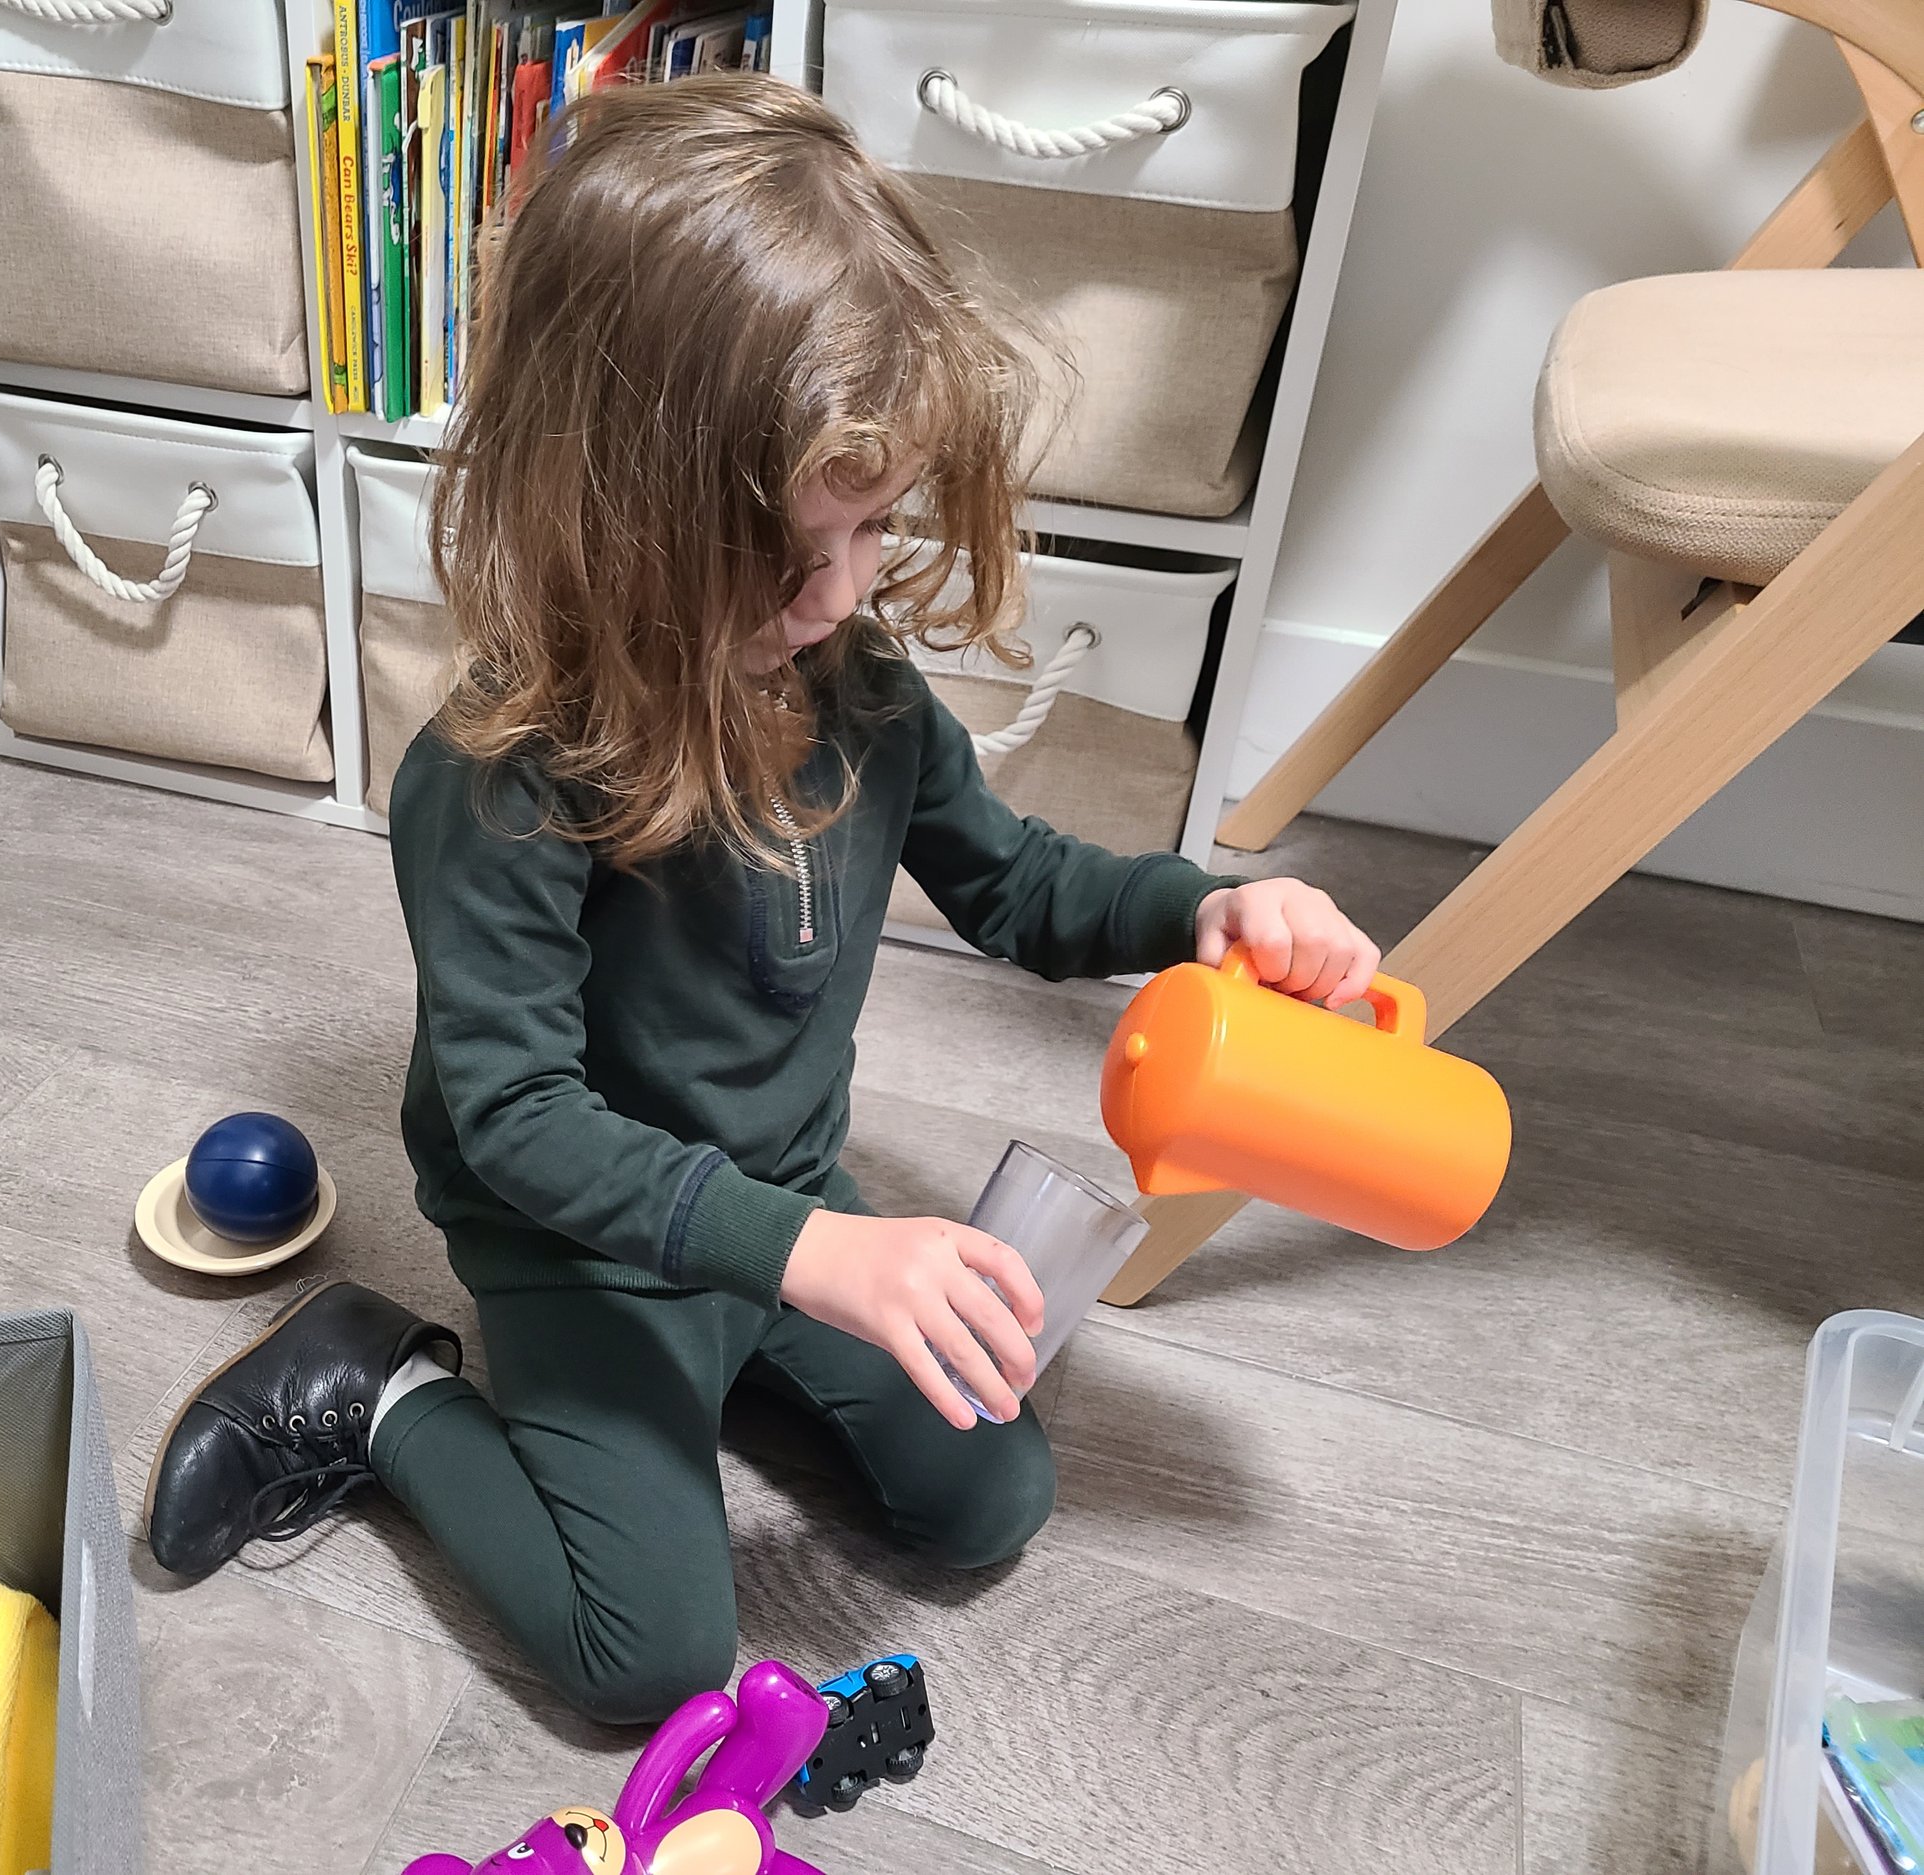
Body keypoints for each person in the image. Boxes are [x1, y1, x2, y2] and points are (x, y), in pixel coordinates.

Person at [148, 74, 1379, 1723]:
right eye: (787, 552)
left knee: (991, 1497)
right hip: (580, 1250)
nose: (842, 594)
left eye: (871, 529)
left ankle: (731, 1358)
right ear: (607, 513)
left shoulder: (857, 689)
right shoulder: (501, 774)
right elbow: (515, 1121)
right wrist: (805, 1259)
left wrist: (1201, 914)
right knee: (645, 1659)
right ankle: (369, 1381)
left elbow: (1017, 887)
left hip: (779, 1199)